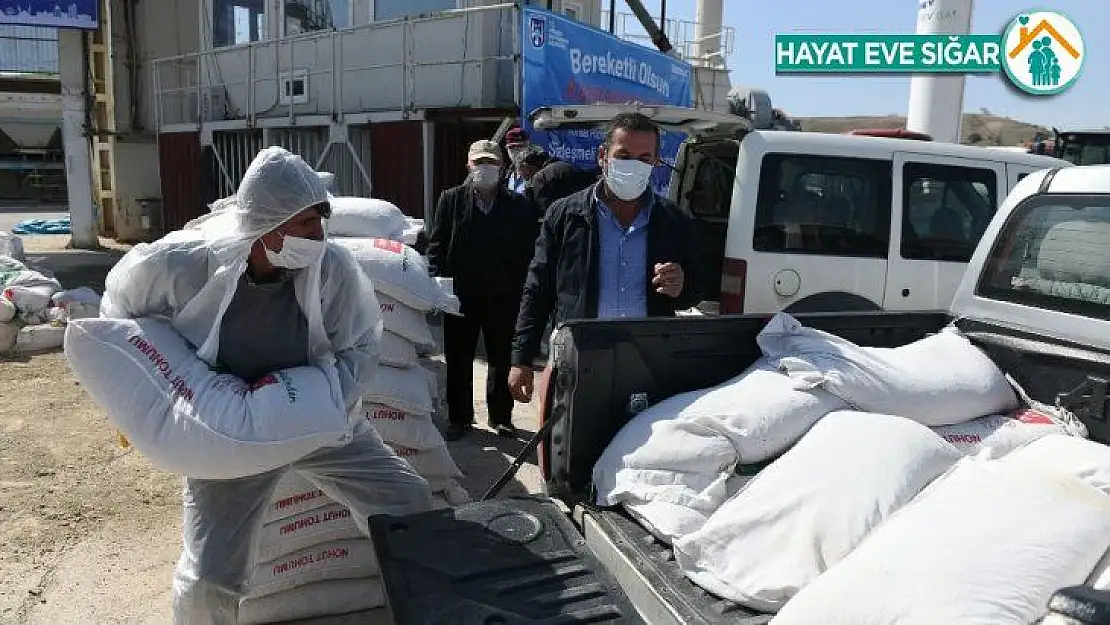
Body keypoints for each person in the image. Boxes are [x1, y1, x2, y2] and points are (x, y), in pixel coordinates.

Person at [100, 146, 434, 625]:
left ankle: (424, 606)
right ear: (267, 226)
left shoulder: (331, 268)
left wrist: (321, 401)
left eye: (322, 219)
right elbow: (120, 310)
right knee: (209, 579)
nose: (319, 235)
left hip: (318, 423)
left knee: (408, 504)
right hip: (229, 432)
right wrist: (150, 399)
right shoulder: (186, 266)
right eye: (306, 224)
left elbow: (361, 344)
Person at [507, 113, 703, 402]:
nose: (633, 165)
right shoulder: (564, 215)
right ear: (603, 156)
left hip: (647, 364)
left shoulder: (675, 221)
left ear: (655, 163)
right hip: (579, 361)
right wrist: (520, 359)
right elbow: (538, 290)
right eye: (623, 155)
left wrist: (682, 286)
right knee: (573, 445)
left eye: (644, 158)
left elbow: (695, 291)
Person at [426, 140, 540, 440]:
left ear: (502, 168)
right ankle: (459, 418)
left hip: (503, 295)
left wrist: (524, 287)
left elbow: (529, 250)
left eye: (490, 162)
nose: (484, 168)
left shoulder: (518, 205)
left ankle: (501, 417)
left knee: (501, 357)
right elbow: (437, 244)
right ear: (468, 166)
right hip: (460, 295)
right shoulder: (450, 200)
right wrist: (436, 282)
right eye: (479, 163)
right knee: (459, 358)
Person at [503, 127, 532, 193]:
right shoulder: (506, 175)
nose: (516, 151)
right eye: (511, 147)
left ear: (528, 147)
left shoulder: (538, 172)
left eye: (520, 146)